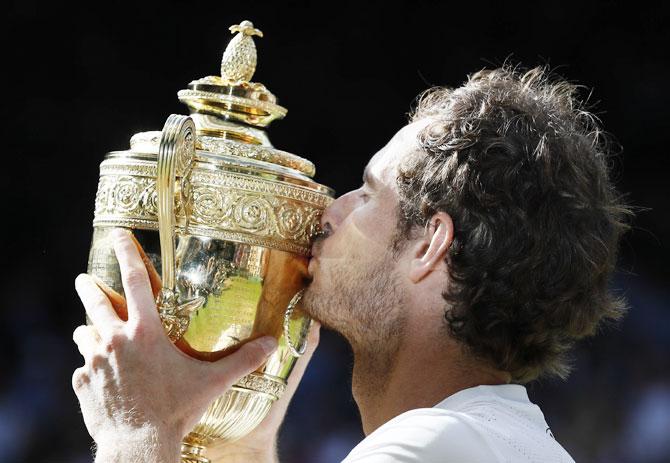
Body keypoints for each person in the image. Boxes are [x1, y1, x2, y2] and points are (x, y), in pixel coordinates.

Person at [72, 66, 630, 462]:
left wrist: (137, 433)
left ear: (430, 244)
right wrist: (241, 449)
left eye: (366, 193)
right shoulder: (498, 441)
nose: (330, 211)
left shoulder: (430, 447)